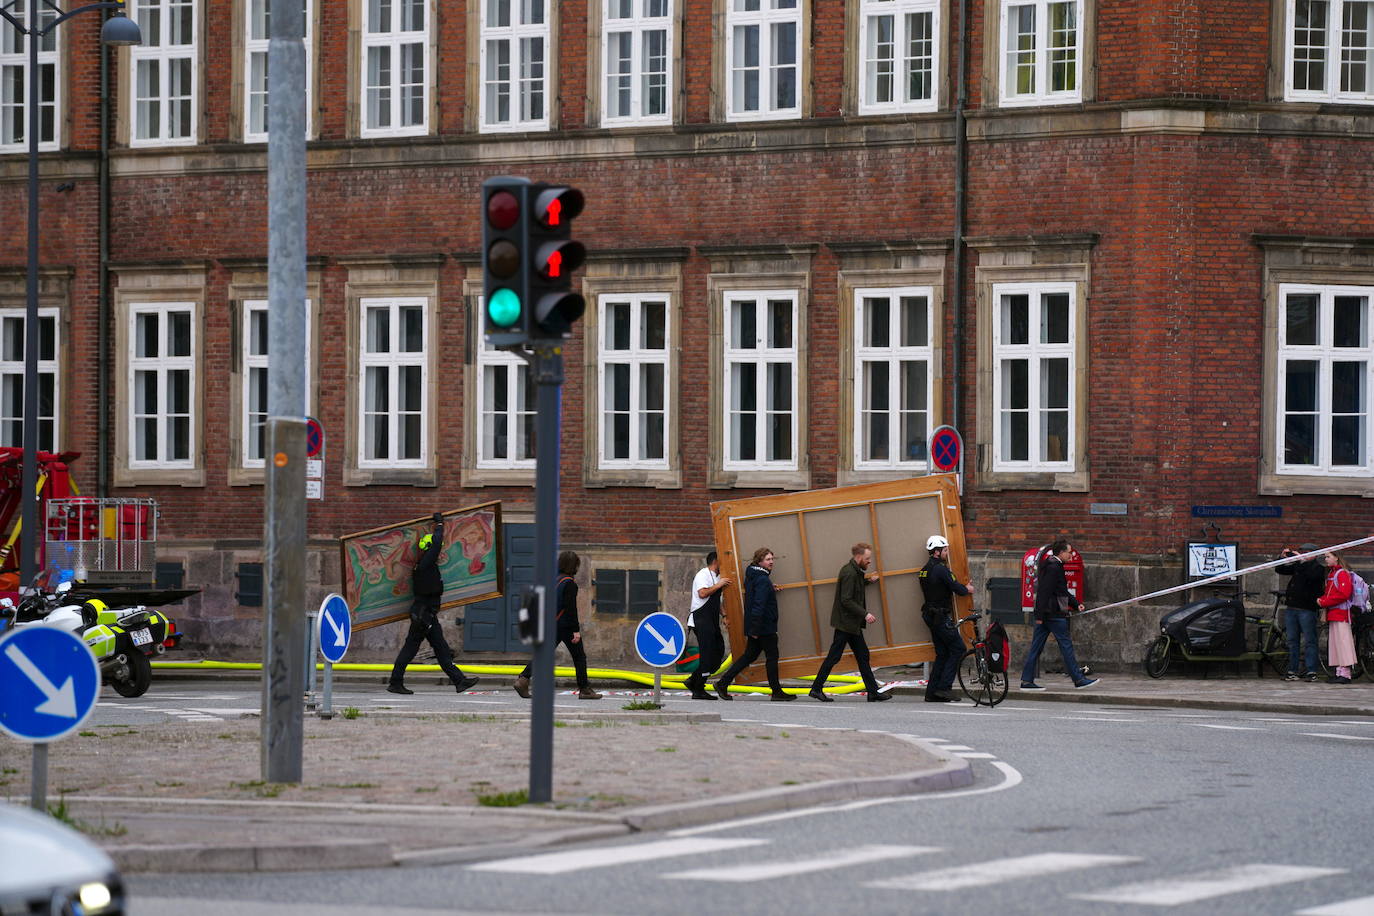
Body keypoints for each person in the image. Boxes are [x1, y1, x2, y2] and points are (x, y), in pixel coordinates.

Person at [388, 513, 480, 695]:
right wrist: (439, 524)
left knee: (440, 648)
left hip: (426, 614)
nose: (439, 552)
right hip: (424, 616)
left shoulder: (425, 565)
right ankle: (395, 682)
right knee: (413, 649)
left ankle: (459, 681)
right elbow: (437, 544)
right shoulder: (425, 564)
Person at [513, 551, 602, 700]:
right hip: (565, 626)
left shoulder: (553, 580)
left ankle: (523, 679)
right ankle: (584, 689)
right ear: (574, 565)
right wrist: (576, 630)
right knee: (579, 657)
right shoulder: (569, 583)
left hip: (551, 624)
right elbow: (570, 609)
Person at [809, 542, 891, 703]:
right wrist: (865, 614)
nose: (869, 561)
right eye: (867, 558)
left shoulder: (855, 571)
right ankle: (816, 689)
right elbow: (846, 599)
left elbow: (855, 588)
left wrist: (869, 581)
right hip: (846, 624)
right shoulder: (849, 573)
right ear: (859, 557)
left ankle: (873, 692)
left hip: (850, 624)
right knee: (834, 657)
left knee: (863, 655)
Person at [714, 547, 794, 702]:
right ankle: (776, 692)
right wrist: (756, 629)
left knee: (749, 656)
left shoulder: (754, 575)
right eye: (768, 559)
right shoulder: (762, 579)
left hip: (756, 625)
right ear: (760, 561)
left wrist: (770, 588)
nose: (771, 562)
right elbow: (759, 604)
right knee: (772, 657)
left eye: (772, 559)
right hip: (764, 627)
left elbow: (756, 596)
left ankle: (723, 683)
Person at [1020, 539, 1098, 690]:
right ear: (1061, 553)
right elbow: (1045, 592)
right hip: (1053, 614)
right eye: (1069, 552)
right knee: (1066, 646)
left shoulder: (1052, 565)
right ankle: (1078, 679)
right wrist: (1040, 616)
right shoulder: (1054, 567)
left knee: (1036, 648)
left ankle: (1026, 681)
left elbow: (1060, 591)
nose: (1071, 555)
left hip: (1047, 614)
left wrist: (1075, 604)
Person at [918, 535, 973, 703]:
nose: (947, 552)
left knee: (942, 653)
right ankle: (944, 688)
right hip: (940, 616)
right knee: (958, 648)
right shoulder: (941, 569)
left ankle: (932, 693)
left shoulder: (924, 569)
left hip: (930, 614)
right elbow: (957, 588)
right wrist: (967, 589)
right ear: (937, 552)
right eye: (945, 550)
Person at [684, 551, 730, 701]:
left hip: (712, 620)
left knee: (718, 652)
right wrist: (719, 585)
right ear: (716, 561)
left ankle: (693, 680)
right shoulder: (703, 575)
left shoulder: (718, 578)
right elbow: (703, 594)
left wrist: (724, 615)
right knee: (707, 654)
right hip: (700, 620)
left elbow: (718, 601)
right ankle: (698, 689)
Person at [1276, 543, 1325, 682]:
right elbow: (1280, 569)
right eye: (1303, 551)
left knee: (1310, 641)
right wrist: (1282, 557)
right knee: (1292, 641)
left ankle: (1311, 671)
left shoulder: (1318, 568)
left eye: (1308, 552)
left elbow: (1312, 576)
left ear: (1315, 554)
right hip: (1292, 608)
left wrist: (1301, 561)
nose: (1304, 554)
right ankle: (1292, 670)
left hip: (1307, 610)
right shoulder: (1299, 565)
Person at [1317, 550, 1357, 684]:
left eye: (1328, 557)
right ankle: (1339, 672)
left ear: (1336, 558)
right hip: (1334, 614)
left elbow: (1343, 594)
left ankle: (1345, 674)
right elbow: (1331, 593)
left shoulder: (1341, 573)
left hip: (1341, 614)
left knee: (1343, 643)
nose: (1326, 559)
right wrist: (1323, 600)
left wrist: (1324, 602)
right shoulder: (1333, 573)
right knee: (1336, 644)